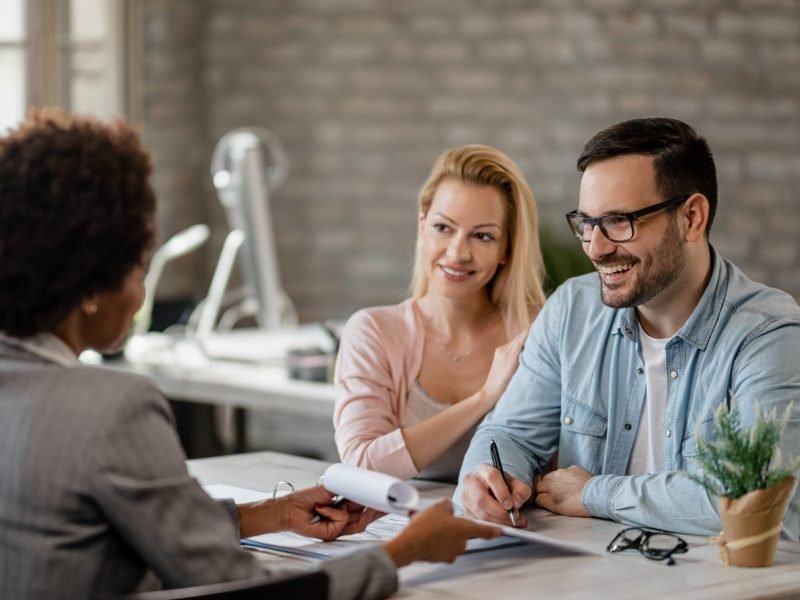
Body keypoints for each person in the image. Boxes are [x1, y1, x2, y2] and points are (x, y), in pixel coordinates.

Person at [0, 108, 501, 600]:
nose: (140, 293)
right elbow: (237, 587)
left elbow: (136, 522)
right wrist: (399, 554)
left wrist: (272, 514)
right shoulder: (111, 408)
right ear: (91, 284)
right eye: (138, 267)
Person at [455, 117, 800, 538]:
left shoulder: (768, 334)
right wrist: (486, 477)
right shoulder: (571, 310)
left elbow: (766, 498)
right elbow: (510, 432)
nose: (596, 248)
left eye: (619, 221)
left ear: (692, 217)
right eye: (587, 223)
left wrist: (596, 494)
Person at [334, 144, 546, 482]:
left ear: (507, 248)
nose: (458, 252)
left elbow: (558, 460)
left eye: (482, 236)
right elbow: (361, 464)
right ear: (422, 225)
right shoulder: (373, 331)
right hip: (404, 528)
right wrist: (484, 398)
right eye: (443, 228)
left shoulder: (536, 333)